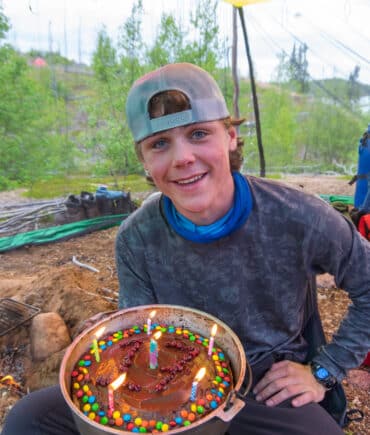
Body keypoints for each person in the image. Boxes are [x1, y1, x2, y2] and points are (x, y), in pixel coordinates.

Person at [2, 63, 369, 435]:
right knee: (28, 420)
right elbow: (141, 331)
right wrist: (117, 331)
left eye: (198, 133)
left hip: (263, 384)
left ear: (229, 135)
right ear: (144, 160)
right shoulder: (137, 237)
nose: (182, 158)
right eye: (159, 143)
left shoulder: (298, 217)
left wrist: (324, 370)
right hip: (166, 384)